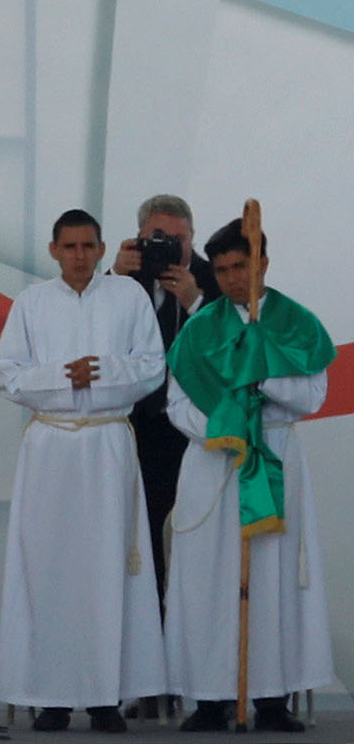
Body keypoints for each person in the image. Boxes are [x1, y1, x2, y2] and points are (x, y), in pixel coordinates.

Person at [0, 209, 166, 734]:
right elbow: (6, 376)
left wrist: (104, 371)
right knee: (49, 570)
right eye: (69, 247)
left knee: (108, 568)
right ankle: (51, 698)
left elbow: (152, 366)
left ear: (102, 246)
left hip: (108, 444)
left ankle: (107, 696)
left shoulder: (128, 298)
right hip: (51, 448)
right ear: (53, 250)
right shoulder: (32, 303)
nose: (80, 257)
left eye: (89, 246)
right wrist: (65, 377)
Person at [163, 219, 334, 733]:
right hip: (214, 460)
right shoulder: (199, 328)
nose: (232, 278)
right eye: (221, 270)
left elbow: (312, 397)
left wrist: (265, 376)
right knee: (208, 581)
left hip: (274, 458)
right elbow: (176, 403)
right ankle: (210, 697)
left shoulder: (296, 322)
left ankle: (271, 696)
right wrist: (225, 427)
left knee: (273, 578)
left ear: (262, 263)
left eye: (240, 266)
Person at [110, 194, 221, 616]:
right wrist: (112, 276)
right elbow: (95, 330)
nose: (171, 248)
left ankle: (195, 624)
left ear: (194, 238)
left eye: (180, 239)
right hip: (136, 425)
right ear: (138, 238)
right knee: (140, 529)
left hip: (196, 431)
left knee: (197, 528)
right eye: (159, 238)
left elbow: (235, 342)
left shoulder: (214, 279)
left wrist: (197, 302)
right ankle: (148, 626)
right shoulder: (124, 279)